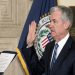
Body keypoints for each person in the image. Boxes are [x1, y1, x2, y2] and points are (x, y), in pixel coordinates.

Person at [27, 5, 75, 75]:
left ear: (66, 25)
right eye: (50, 21)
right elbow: (37, 71)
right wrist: (30, 44)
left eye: (54, 21)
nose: (50, 24)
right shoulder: (49, 47)